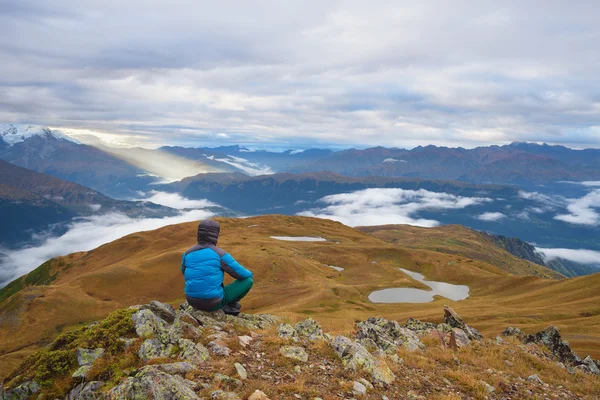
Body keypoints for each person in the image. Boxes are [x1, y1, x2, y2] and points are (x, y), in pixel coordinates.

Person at [181, 219, 253, 316]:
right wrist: (250, 274)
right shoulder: (220, 254)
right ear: (216, 235)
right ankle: (228, 305)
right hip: (212, 303)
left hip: (191, 300)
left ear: (199, 233)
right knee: (248, 281)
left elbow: (183, 271)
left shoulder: (187, 253)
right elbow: (242, 274)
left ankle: (225, 304)